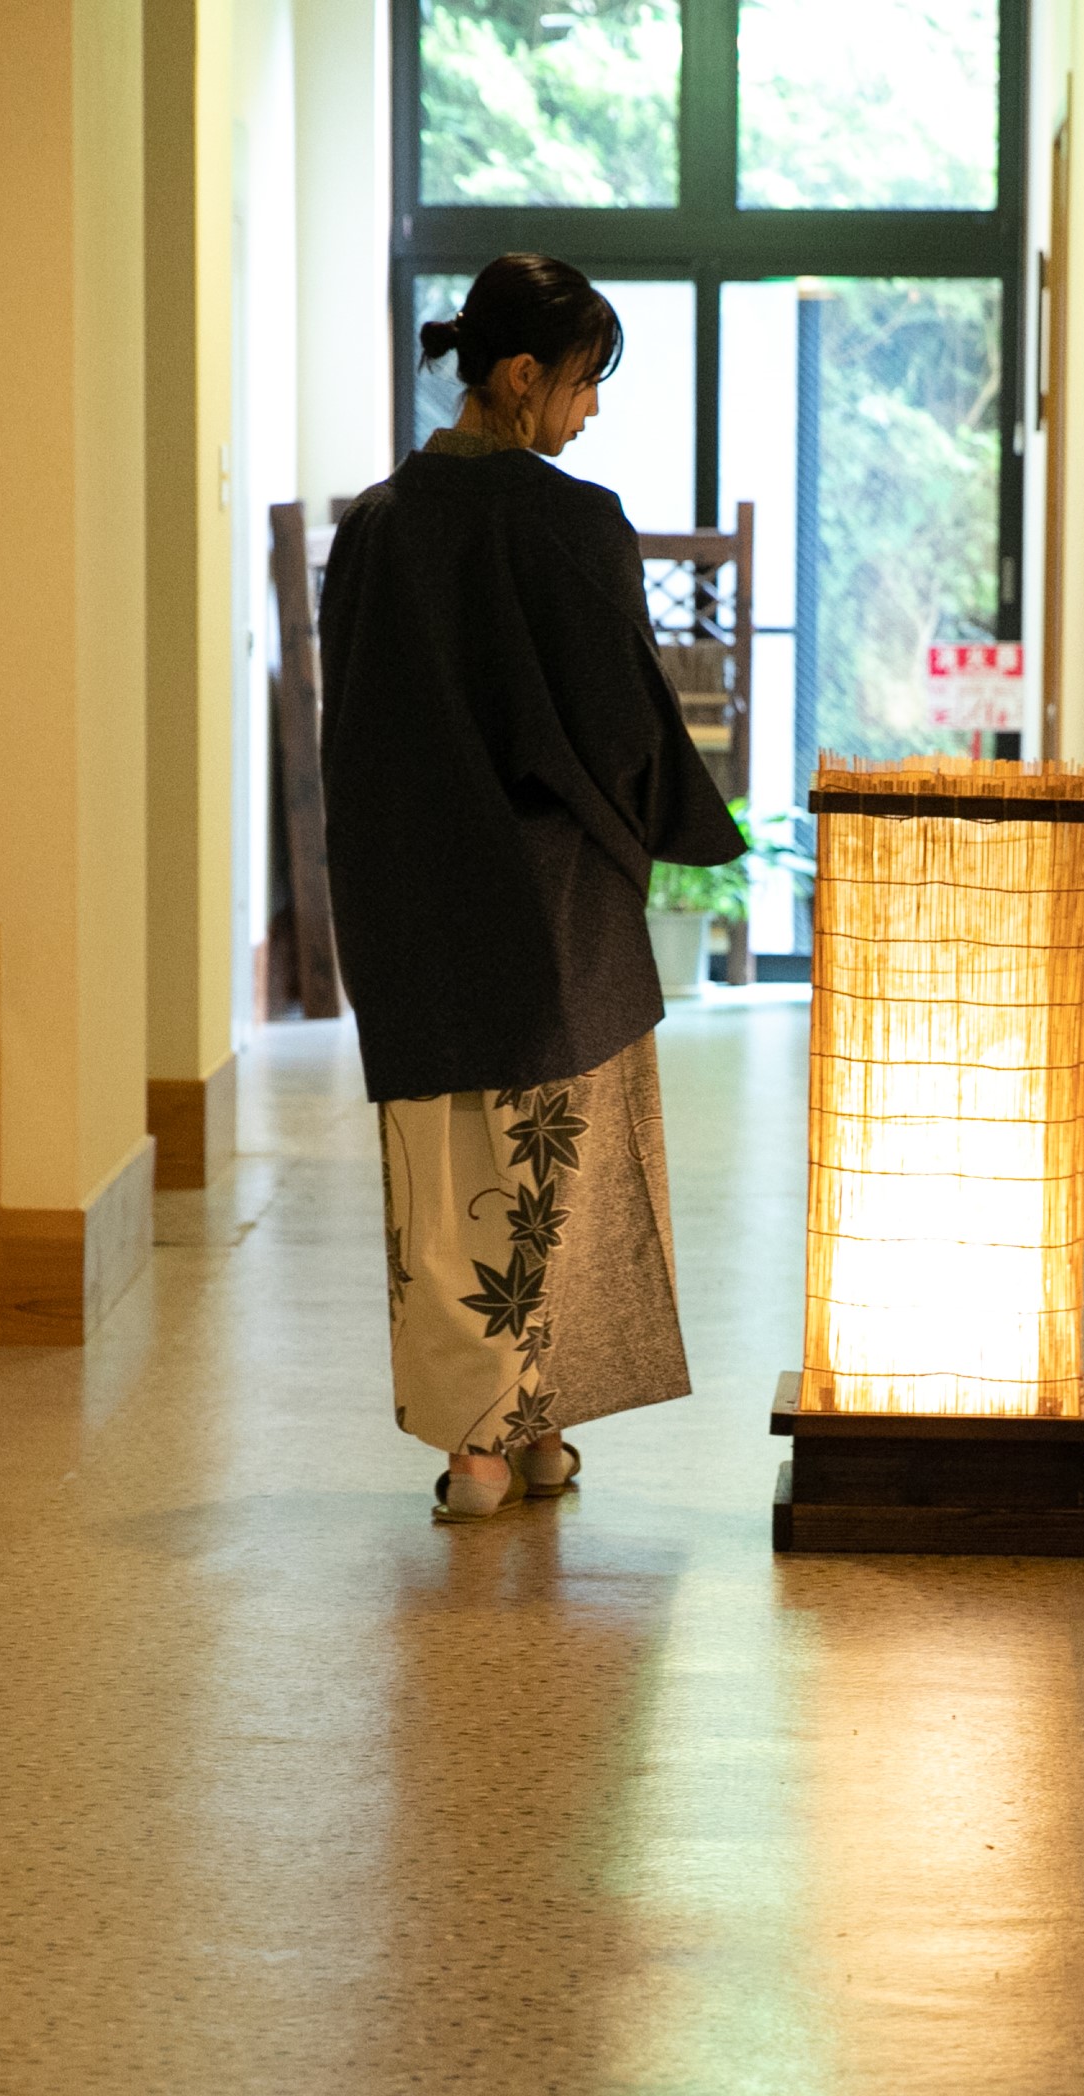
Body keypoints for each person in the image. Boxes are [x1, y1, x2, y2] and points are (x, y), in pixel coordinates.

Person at [314, 252, 745, 1523]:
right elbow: (620, 723)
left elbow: (357, 737)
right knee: (556, 1165)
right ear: (518, 377)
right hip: (552, 907)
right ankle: (538, 1426)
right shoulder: (570, 522)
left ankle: (478, 1449)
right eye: (580, 382)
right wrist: (643, 816)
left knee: (440, 1176)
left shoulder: (374, 528)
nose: (588, 412)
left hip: (408, 900)